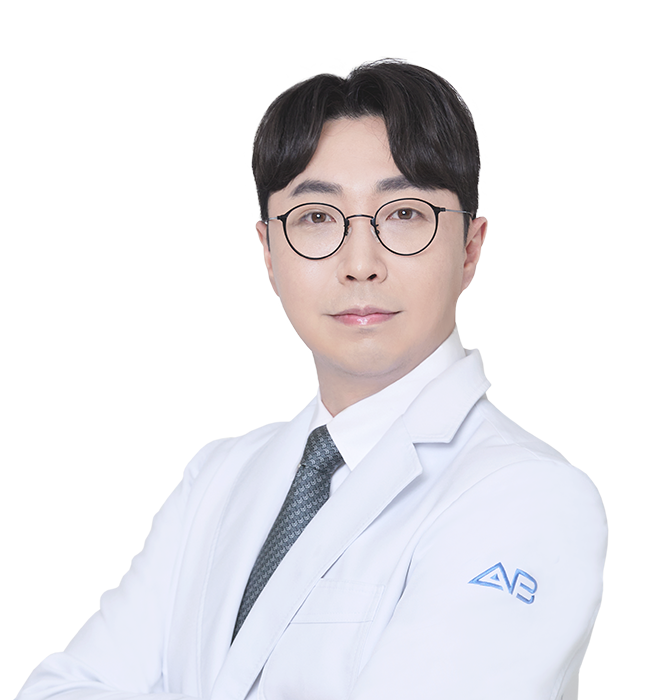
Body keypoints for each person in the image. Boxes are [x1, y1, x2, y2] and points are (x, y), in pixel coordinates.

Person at [17, 58, 607, 700]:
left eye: (405, 214)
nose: (361, 264)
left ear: (470, 248)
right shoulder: (216, 481)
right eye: (317, 218)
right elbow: (62, 689)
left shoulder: (529, 497)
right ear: (269, 254)